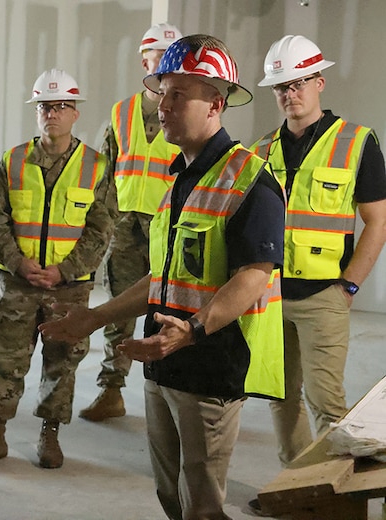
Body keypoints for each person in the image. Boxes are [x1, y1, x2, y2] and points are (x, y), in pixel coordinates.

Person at [39, 35, 286, 518]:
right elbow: (163, 277)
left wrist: (190, 332)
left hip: (209, 368)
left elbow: (252, 277)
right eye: (162, 93)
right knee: (170, 495)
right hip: (161, 362)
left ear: (216, 103)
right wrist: (95, 317)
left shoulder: (249, 180)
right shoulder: (180, 179)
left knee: (203, 505)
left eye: (178, 95)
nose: (162, 107)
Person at [248, 35, 386, 514]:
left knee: (328, 406)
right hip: (268, 297)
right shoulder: (261, 149)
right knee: (280, 400)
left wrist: (349, 285)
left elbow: (378, 220)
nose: (291, 92)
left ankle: (337, 501)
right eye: (282, 85)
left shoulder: (356, 141)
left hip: (323, 296)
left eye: (300, 81)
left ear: (319, 82)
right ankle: (297, 490)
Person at [0, 69, 113, 470]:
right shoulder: (12, 160)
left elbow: (102, 229)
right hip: (18, 283)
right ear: (37, 112)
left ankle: (50, 435)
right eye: (45, 106)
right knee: (5, 358)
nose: (53, 113)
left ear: (75, 113)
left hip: (68, 289)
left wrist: (64, 271)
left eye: (61, 106)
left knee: (62, 362)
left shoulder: (95, 166)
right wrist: (19, 263)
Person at [79, 22, 182, 422]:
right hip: (123, 228)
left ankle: (168, 397)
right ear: (145, 61)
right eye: (162, 57)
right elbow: (105, 174)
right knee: (119, 312)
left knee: (168, 314)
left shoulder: (185, 109)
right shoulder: (121, 112)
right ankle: (111, 391)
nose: (169, 65)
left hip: (167, 229)